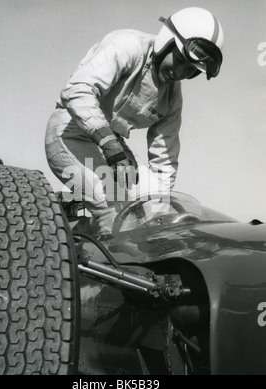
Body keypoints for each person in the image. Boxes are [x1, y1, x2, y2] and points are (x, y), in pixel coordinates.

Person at [45, 7, 224, 238]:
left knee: (155, 216)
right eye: (179, 60)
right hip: (70, 132)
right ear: (166, 41)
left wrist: (160, 210)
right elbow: (77, 91)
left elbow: (165, 156)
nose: (179, 73)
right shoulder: (127, 45)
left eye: (191, 71)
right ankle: (68, 247)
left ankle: (77, 237)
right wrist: (109, 143)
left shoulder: (173, 94)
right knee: (117, 212)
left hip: (115, 151)